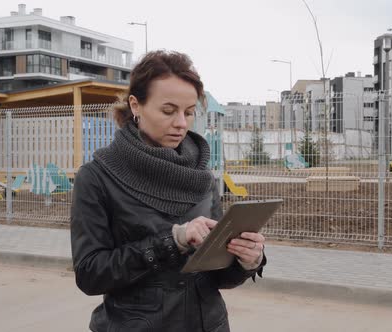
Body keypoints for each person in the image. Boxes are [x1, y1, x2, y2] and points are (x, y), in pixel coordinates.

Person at [70, 50, 266, 332]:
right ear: (136, 106)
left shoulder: (201, 176)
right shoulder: (98, 177)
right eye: (168, 110)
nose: (181, 124)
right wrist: (172, 241)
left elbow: (217, 278)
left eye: (188, 112)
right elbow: (90, 275)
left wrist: (246, 260)